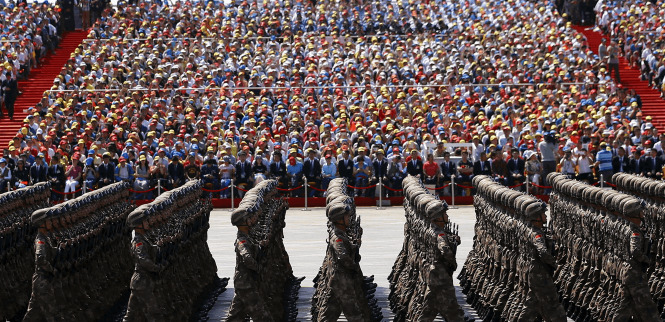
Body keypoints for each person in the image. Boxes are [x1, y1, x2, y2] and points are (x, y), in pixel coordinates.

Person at [227, 209, 273, 322]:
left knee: (236, 316)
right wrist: (258, 269)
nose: (252, 220)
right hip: (246, 283)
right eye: (249, 218)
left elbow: (253, 249)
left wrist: (260, 246)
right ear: (243, 222)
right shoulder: (242, 240)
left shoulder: (247, 237)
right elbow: (247, 258)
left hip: (244, 282)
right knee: (262, 316)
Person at [123, 216, 166, 322]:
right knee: (154, 313)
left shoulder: (143, 238)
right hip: (142, 281)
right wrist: (157, 268)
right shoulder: (139, 241)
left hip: (140, 282)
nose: (147, 223)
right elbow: (144, 260)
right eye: (145, 222)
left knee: (132, 315)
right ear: (138, 225)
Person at [23, 211, 56, 322]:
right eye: (47, 221)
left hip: (42, 280)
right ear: (41, 223)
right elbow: (40, 259)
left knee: (33, 313)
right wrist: (52, 269)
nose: (50, 223)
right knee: (51, 313)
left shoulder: (46, 237)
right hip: (42, 280)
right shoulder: (40, 240)